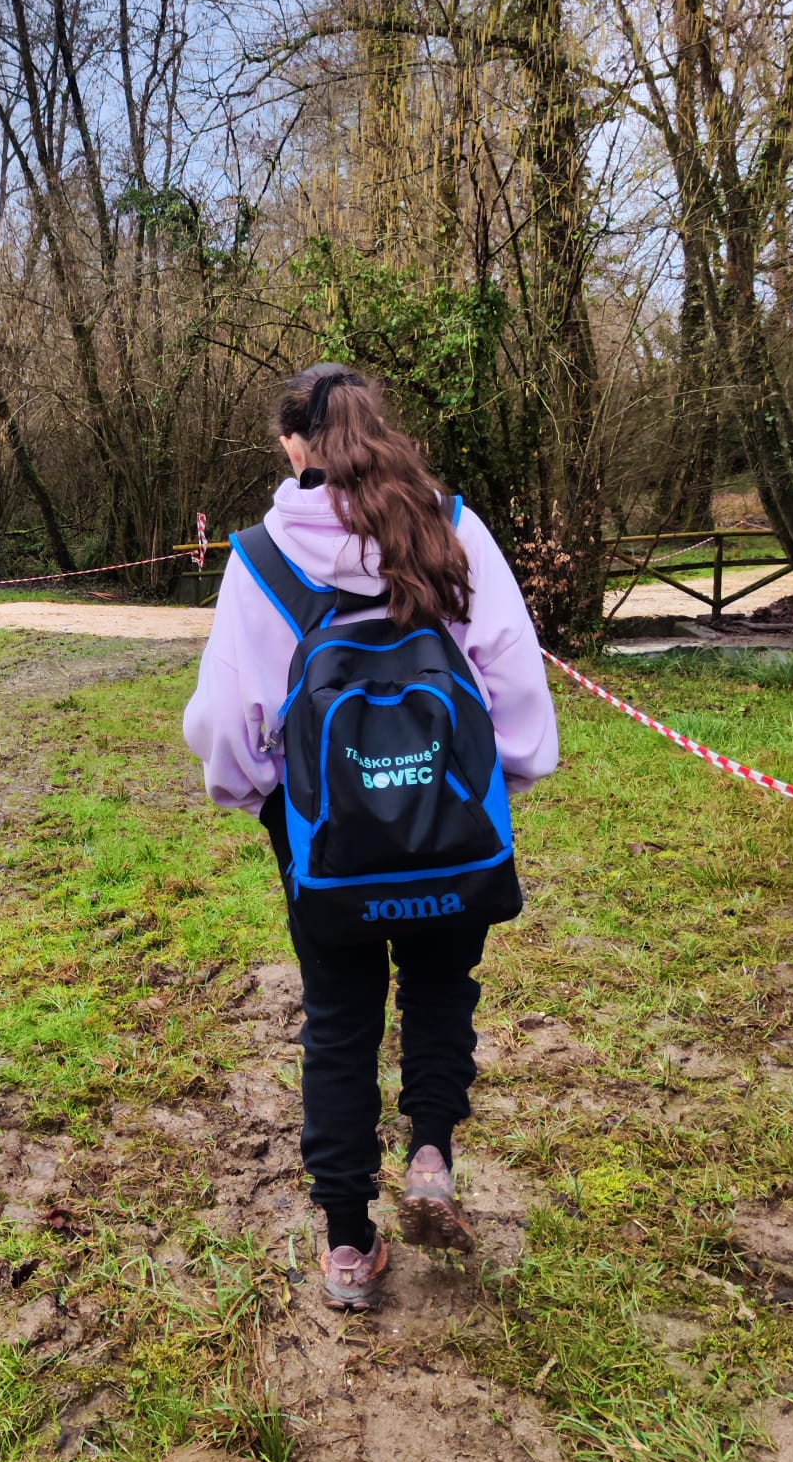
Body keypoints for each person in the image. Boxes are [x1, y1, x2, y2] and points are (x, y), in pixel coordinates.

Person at [184, 366, 558, 1308]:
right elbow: (512, 676)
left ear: (293, 444)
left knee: (339, 1020)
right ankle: (430, 1153)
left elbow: (226, 719)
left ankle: (349, 1247)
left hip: (322, 835)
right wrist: (504, 776)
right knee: (440, 989)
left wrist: (256, 797)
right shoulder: (451, 527)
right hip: (450, 821)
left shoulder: (261, 556)